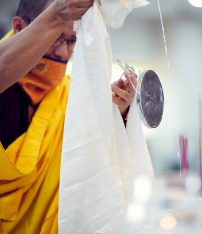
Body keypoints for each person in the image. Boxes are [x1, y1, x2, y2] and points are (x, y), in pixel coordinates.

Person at [0, 0, 138, 232]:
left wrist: (119, 115)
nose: (64, 53)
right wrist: (56, 15)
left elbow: (89, 165)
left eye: (72, 40)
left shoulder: (70, 94)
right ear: (19, 27)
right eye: (56, 38)